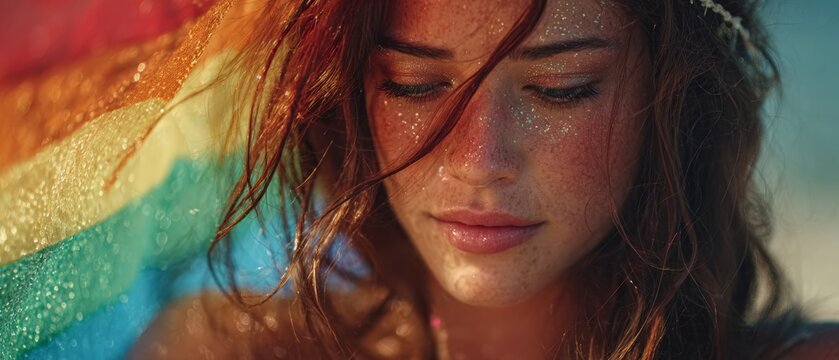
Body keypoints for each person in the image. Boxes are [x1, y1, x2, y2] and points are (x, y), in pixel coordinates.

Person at [2, 0, 836, 359]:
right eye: (413, 85)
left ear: (674, 99)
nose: (479, 157)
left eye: (558, 89)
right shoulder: (223, 352)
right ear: (351, 97)